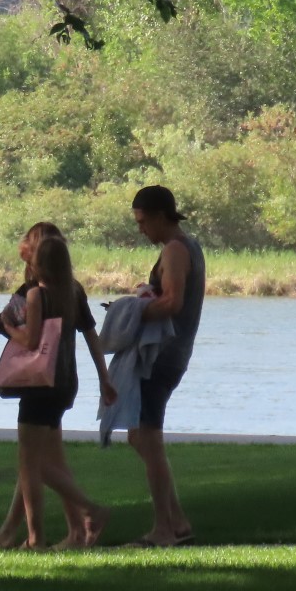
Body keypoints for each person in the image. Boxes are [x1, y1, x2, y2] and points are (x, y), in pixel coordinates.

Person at [0, 224, 113, 548]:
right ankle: (69, 532)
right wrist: (104, 378)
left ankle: (55, 527)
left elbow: (7, 332)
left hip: (38, 383)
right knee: (45, 460)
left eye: (26, 240)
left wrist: (7, 329)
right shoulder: (74, 290)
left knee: (32, 463)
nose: (21, 245)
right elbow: (91, 335)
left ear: (36, 254)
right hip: (65, 384)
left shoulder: (33, 294)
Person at [124, 185, 205, 548]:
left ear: (160, 216)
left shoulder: (175, 250)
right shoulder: (189, 248)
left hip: (162, 356)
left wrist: (132, 310)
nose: (141, 229)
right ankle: (178, 521)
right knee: (138, 437)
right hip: (172, 355)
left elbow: (172, 302)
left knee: (149, 440)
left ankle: (163, 530)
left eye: (143, 222)